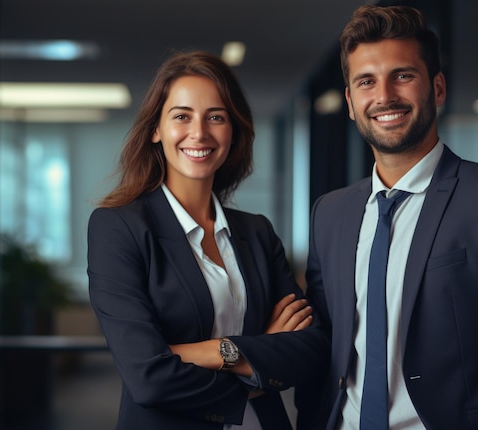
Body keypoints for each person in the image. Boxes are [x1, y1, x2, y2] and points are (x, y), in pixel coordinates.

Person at [303, 5, 478, 430]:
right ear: (349, 101)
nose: (384, 96)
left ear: (437, 88)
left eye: (403, 75)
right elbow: (325, 345)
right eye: (366, 81)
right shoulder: (331, 212)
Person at [87, 50, 327, 430]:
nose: (199, 133)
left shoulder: (258, 232)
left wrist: (213, 353)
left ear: (233, 132)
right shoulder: (118, 228)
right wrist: (258, 356)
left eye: (216, 117)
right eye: (182, 116)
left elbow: (310, 348)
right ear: (156, 129)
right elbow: (148, 378)